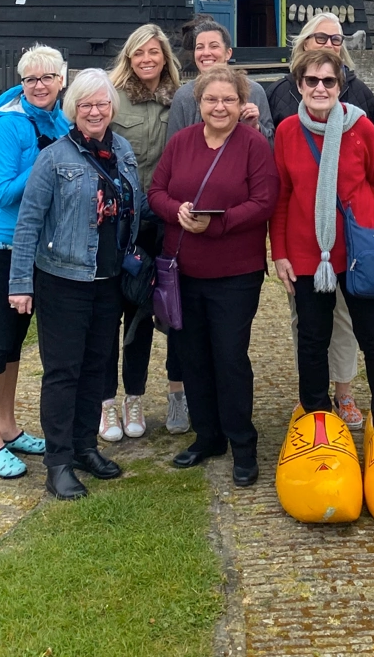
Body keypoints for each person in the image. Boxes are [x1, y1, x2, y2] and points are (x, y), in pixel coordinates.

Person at [8, 69, 141, 500]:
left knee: (96, 368)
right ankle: (58, 462)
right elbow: (28, 223)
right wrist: (20, 283)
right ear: (73, 110)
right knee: (63, 373)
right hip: (63, 280)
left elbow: (133, 209)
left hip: (108, 280)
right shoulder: (53, 158)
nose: (95, 111)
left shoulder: (123, 151)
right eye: (86, 105)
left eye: (101, 103)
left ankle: (85, 447)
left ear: (112, 108)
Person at [148, 64, 278, 487]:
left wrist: (218, 224)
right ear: (198, 102)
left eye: (228, 99)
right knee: (193, 356)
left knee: (230, 357)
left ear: (242, 104)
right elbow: (156, 192)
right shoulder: (182, 141)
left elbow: (264, 200)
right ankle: (207, 436)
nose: (219, 107)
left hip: (235, 272)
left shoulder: (253, 144)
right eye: (211, 99)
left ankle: (242, 444)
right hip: (184, 270)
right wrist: (177, 211)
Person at [271, 44, 374, 428]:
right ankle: (317, 414)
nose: (320, 88)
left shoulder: (361, 127)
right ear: (299, 84)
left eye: (328, 81)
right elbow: (282, 196)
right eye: (312, 80)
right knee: (312, 338)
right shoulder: (287, 131)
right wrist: (280, 252)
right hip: (308, 252)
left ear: (339, 86)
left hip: (359, 251)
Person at [0, 44, 69, 479]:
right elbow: (4, 192)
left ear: (61, 80)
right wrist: (49, 161)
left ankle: (9, 428)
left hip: (35, 245)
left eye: (47, 77)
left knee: (16, 339)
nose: (39, 85)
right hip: (2, 242)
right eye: (31, 79)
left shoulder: (60, 121)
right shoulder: (8, 127)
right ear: (22, 83)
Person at [103, 23, 181, 442]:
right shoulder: (112, 99)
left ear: (165, 57)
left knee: (141, 316)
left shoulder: (180, 99)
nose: (147, 59)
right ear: (128, 58)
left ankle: (134, 397)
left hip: (159, 224)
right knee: (105, 315)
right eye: (139, 53)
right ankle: (105, 403)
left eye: (154, 52)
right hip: (116, 224)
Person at [167, 21, 274, 141]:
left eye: (214, 46)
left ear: (228, 53)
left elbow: (270, 144)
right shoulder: (183, 96)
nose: (206, 53)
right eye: (200, 47)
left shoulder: (253, 91)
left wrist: (255, 127)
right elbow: (173, 146)